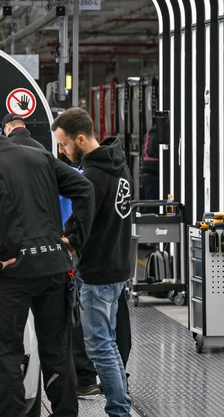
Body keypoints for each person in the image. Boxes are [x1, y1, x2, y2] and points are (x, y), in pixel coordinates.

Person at [0, 125, 95, 417]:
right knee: (57, 351)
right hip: (56, 269)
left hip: (14, 275)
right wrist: (74, 239)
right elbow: (85, 188)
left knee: (8, 353)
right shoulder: (40, 157)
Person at [52, 108, 135, 417]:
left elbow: (79, 228)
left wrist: (65, 240)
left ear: (81, 138)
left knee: (101, 348)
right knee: (111, 344)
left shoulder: (92, 178)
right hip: (117, 268)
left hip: (98, 274)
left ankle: (118, 410)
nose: (62, 151)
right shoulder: (119, 167)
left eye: (63, 144)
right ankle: (120, 407)